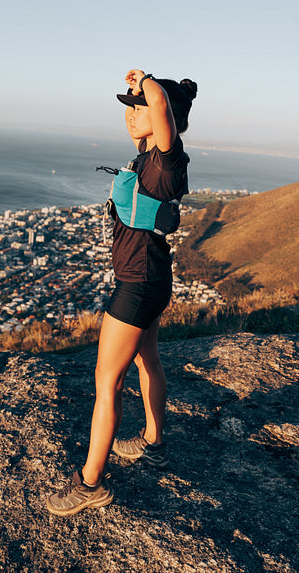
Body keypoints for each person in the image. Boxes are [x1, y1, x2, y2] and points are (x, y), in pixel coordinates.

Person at [46, 69, 197, 516]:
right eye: (128, 109)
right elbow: (157, 114)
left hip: (137, 285)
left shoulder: (167, 162)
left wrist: (150, 81)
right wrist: (141, 91)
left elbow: (165, 113)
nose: (131, 116)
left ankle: (90, 482)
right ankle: (153, 441)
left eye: (139, 109)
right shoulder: (145, 155)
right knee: (148, 358)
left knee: (106, 384)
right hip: (149, 278)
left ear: (163, 115)